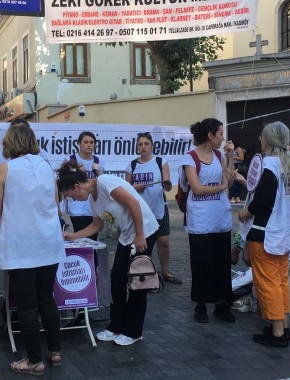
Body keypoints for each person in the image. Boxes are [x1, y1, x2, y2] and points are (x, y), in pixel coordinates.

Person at [0, 120, 66, 375]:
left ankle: (34, 361)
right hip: (49, 241)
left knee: (26, 306)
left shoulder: (5, 168)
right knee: (47, 299)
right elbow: (55, 203)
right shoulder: (45, 165)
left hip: (22, 245)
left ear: (9, 143)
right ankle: (54, 351)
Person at [59, 158, 159, 347]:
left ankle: (134, 331)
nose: (71, 199)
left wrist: (140, 235)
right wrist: (73, 236)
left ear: (77, 186)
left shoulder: (105, 182)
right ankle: (116, 326)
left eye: (70, 195)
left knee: (138, 281)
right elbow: (97, 225)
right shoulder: (93, 201)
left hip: (144, 230)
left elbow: (134, 204)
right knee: (117, 279)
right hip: (127, 235)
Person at [238, 121, 290, 347]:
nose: (260, 141)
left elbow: (263, 200)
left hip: (266, 233)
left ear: (269, 140)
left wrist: (246, 212)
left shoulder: (270, 165)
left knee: (267, 283)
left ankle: (276, 333)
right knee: (282, 282)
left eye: (262, 137)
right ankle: (284, 326)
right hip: (284, 235)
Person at [179, 118, 235, 323]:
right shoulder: (190, 158)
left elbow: (228, 181)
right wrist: (221, 188)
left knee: (221, 261)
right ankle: (200, 304)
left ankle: (222, 304)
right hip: (201, 219)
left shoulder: (219, 155)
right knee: (202, 262)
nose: (223, 138)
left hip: (219, 216)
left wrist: (230, 158)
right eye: (220, 134)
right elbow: (197, 188)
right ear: (210, 135)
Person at [125, 132, 180, 284]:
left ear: (152, 146)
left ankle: (166, 272)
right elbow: (126, 189)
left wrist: (167, 184)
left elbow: (167, 185)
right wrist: (135, 187)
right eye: (140, 144)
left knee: (163, 240)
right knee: (143, 243)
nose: (143, 147)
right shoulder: (132, 165)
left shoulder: (161, 162)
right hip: (140, 210)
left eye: (146, 144)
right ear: (137, 147)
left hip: (158, 207)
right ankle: (143, 273)